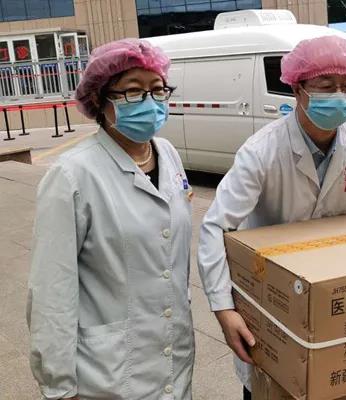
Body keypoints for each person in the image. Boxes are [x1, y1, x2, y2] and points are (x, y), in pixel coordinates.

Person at [197, 35, 346, 399]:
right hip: (273, 294)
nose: (339, 96)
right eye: (326, 87)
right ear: (297, 90)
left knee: (333, 379)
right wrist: (223, 309)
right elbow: (216, 227)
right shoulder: (262, 151)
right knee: (272, 383)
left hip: (335, 291)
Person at [27, 39, 195, 399]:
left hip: (174, 353)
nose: (150, 102)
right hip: (106, 373)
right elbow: (52, 290)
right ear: (100, 100)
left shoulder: (168, 154)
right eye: (133, 91)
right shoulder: (72, 175)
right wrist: (59, 384)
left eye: (158, 89)